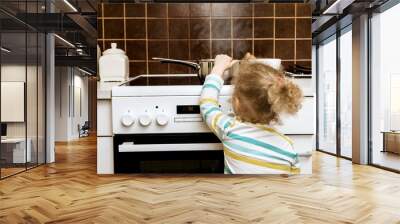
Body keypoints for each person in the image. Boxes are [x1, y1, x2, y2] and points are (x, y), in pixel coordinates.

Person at [199, 53, 304, 174]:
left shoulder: (230, 129)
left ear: (236, 102)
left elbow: (207, 105)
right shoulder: (288, 148)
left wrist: (218, 68)